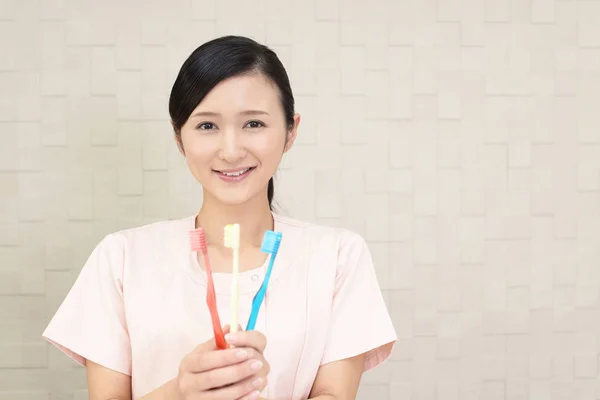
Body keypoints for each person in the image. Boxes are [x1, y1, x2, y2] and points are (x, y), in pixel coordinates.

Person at [43, 35, 397, 400]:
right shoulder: (121, 257)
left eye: (254, 124)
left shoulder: (337, 256)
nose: (230, 151)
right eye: (207, 126)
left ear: (291, 130)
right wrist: (182, 391)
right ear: (178, 137)